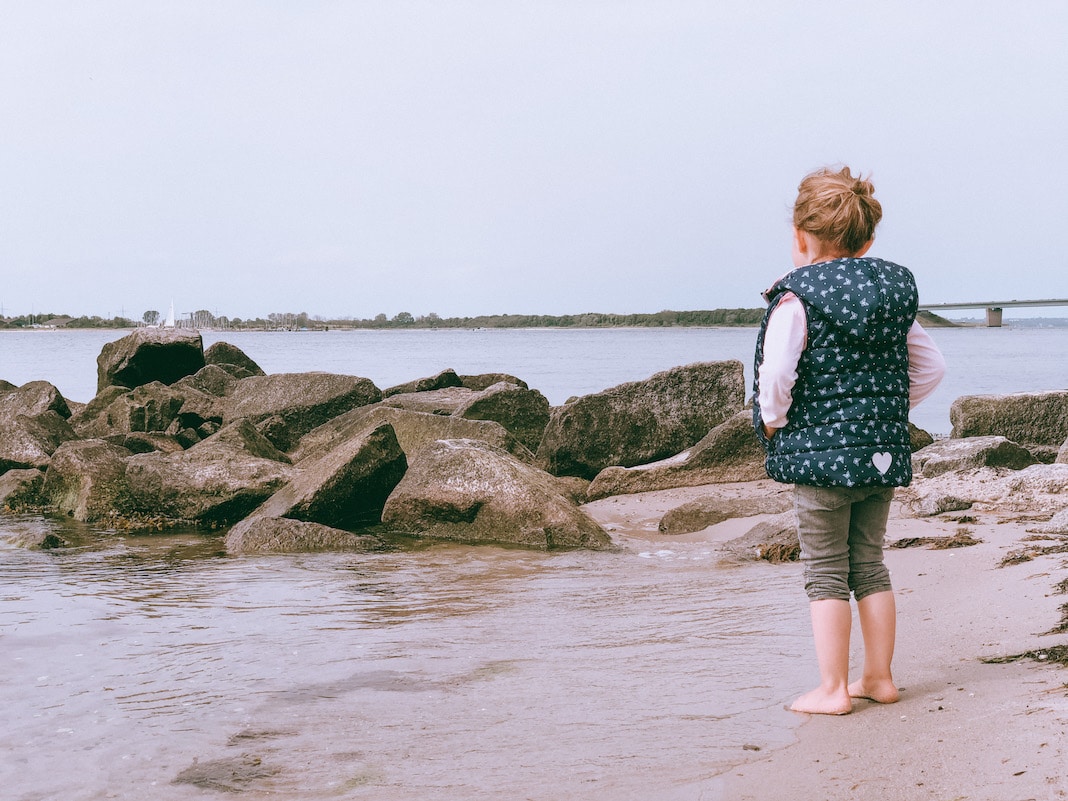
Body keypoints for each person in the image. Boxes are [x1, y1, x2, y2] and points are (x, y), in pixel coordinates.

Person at [752, 165, 946, 715]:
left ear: (800, 237)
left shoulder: (798, 298)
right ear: (867, 238)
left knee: (824, 571)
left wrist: (773, 420)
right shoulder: (889, 295)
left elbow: (776, 375)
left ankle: (833, 689)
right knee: (869, 562)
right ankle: (879, 678)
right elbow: (931, 367)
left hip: (819, 460)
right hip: (880, 452)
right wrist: (884, 410)